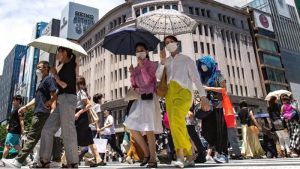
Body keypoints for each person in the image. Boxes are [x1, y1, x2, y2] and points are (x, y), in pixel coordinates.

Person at [157, 35, 210, 168]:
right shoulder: (166, 61)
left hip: (184, 93)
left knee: (176, 121)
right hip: (169, 94)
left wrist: (203, 98)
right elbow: (158, 77)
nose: (169, 44)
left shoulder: (187, 60)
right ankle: (189, 155)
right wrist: (162, 61)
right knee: (174, 124)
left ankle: (182, 155)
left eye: (171, 41)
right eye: (166, 42)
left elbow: (197, 80)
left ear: (177, 43)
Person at [2, 61, 57, 168]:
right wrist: (25, 107)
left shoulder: (49, 79)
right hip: (39, 111)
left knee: (32, 137)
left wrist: (50, 103)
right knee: (38, 138)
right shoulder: (42, 82)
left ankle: (18, 161)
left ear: (46, 68)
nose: (37, 70)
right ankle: (43, 161)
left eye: (39, 68)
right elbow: (36, 99)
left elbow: (54, 94)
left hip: (42, 112)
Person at [123, 42, 163, 168]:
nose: (139, 52)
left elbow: (148, 81)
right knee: (131, 126)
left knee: (149, 129)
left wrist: (142, 67)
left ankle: (153, 158)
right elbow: (134, 85)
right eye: (137, 50)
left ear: (146, 51)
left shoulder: (152, 65)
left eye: (141, 50)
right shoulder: (135, 68)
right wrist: (132, 73)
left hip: (150, 98)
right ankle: (146, 153)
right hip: (139, 100)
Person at [38, 47, 79, 168]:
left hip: (68, 99)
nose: (57, 54)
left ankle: (73, 162)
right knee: (47, 129)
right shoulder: (64, 65)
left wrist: (55, 75)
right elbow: (60, 88)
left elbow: (64, 85)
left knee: (68, 131)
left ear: (65, 53)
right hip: (62, 99)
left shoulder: (70, 65)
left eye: (59, 52)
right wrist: (52, 100)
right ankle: (44, 160)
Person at [197, 55, 229, 163]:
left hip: (218, 106)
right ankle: (216, 149)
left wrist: (208, 88)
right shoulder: (203, 77)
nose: (202, 66)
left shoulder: (218, 75)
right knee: (205, 131)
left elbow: (224, 90)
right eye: (201, 64)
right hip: (207, 107)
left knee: (220, 130)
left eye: (204, 64)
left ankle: (223, 154)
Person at [75, 76, 104, 167]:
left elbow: (88, 104)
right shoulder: (77, 92)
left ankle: (65, 160)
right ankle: (97, 158)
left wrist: (78, 113)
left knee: (75, 138)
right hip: (79, 116)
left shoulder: (81, 92)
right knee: (88, 139)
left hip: (81, 116)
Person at [1, 95, 24, 160]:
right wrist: (8, 125)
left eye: (14, 100)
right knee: (16, 146)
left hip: (13, 131)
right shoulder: (15, 109)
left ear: (18, 101)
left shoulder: (20, 109)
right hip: (14, 131)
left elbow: (21, 120)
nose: (13, 102)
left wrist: (23, 130)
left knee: (7, 145)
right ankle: (27, 158)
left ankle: (2, 160)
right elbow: (13, 120)